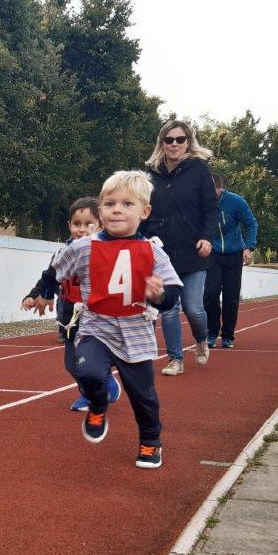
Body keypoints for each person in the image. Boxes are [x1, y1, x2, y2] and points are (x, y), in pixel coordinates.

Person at [52, 171, 182, 468]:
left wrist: (159, 295)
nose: (117, 210)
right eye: (110, 203)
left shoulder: (153, 251)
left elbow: (173, 295)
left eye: (127, 204)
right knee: (89, 373)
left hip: (135, 331)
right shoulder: (84, 247)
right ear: (100, 210)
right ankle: (98, 405)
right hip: (96, 326)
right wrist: (41, 293)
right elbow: (55, 270)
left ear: (144, 211)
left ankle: (151, 441)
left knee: (143, 396)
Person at [22, 197, 121, 411]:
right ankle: (95, 389)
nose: (82, 230)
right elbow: (48, 278)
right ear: (69, 226)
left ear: (101, 224)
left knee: (93, 361)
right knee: (72, 363)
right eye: (77, 224)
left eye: (89, 224)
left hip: (97, 317)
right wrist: (35, 295)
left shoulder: (108, 252)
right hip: (70, 316)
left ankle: (96, 390)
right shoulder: (62, 254)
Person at [142, 119, 217, 376]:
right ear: (161, 143)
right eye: (169, 140)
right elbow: (143, 210)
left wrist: (207, 238)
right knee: (169, 308)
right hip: (162, 251)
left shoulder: (199, 170)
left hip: (194, 250)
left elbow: (210, 209)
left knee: (194, 308)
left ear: (188, 142)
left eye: (180, 139)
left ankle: (202, 339)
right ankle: (175, 359)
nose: (174, 144)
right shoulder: (150, 174)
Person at [204, 173, 258, 348]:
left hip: (234, 254)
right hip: (212, 254)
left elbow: (251, 223)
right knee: (210, 294)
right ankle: (212, 332)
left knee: (231, 296)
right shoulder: (201, 203)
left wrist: (248, 247)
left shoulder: (236, 201)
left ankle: (227, 335)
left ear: (220, 188)